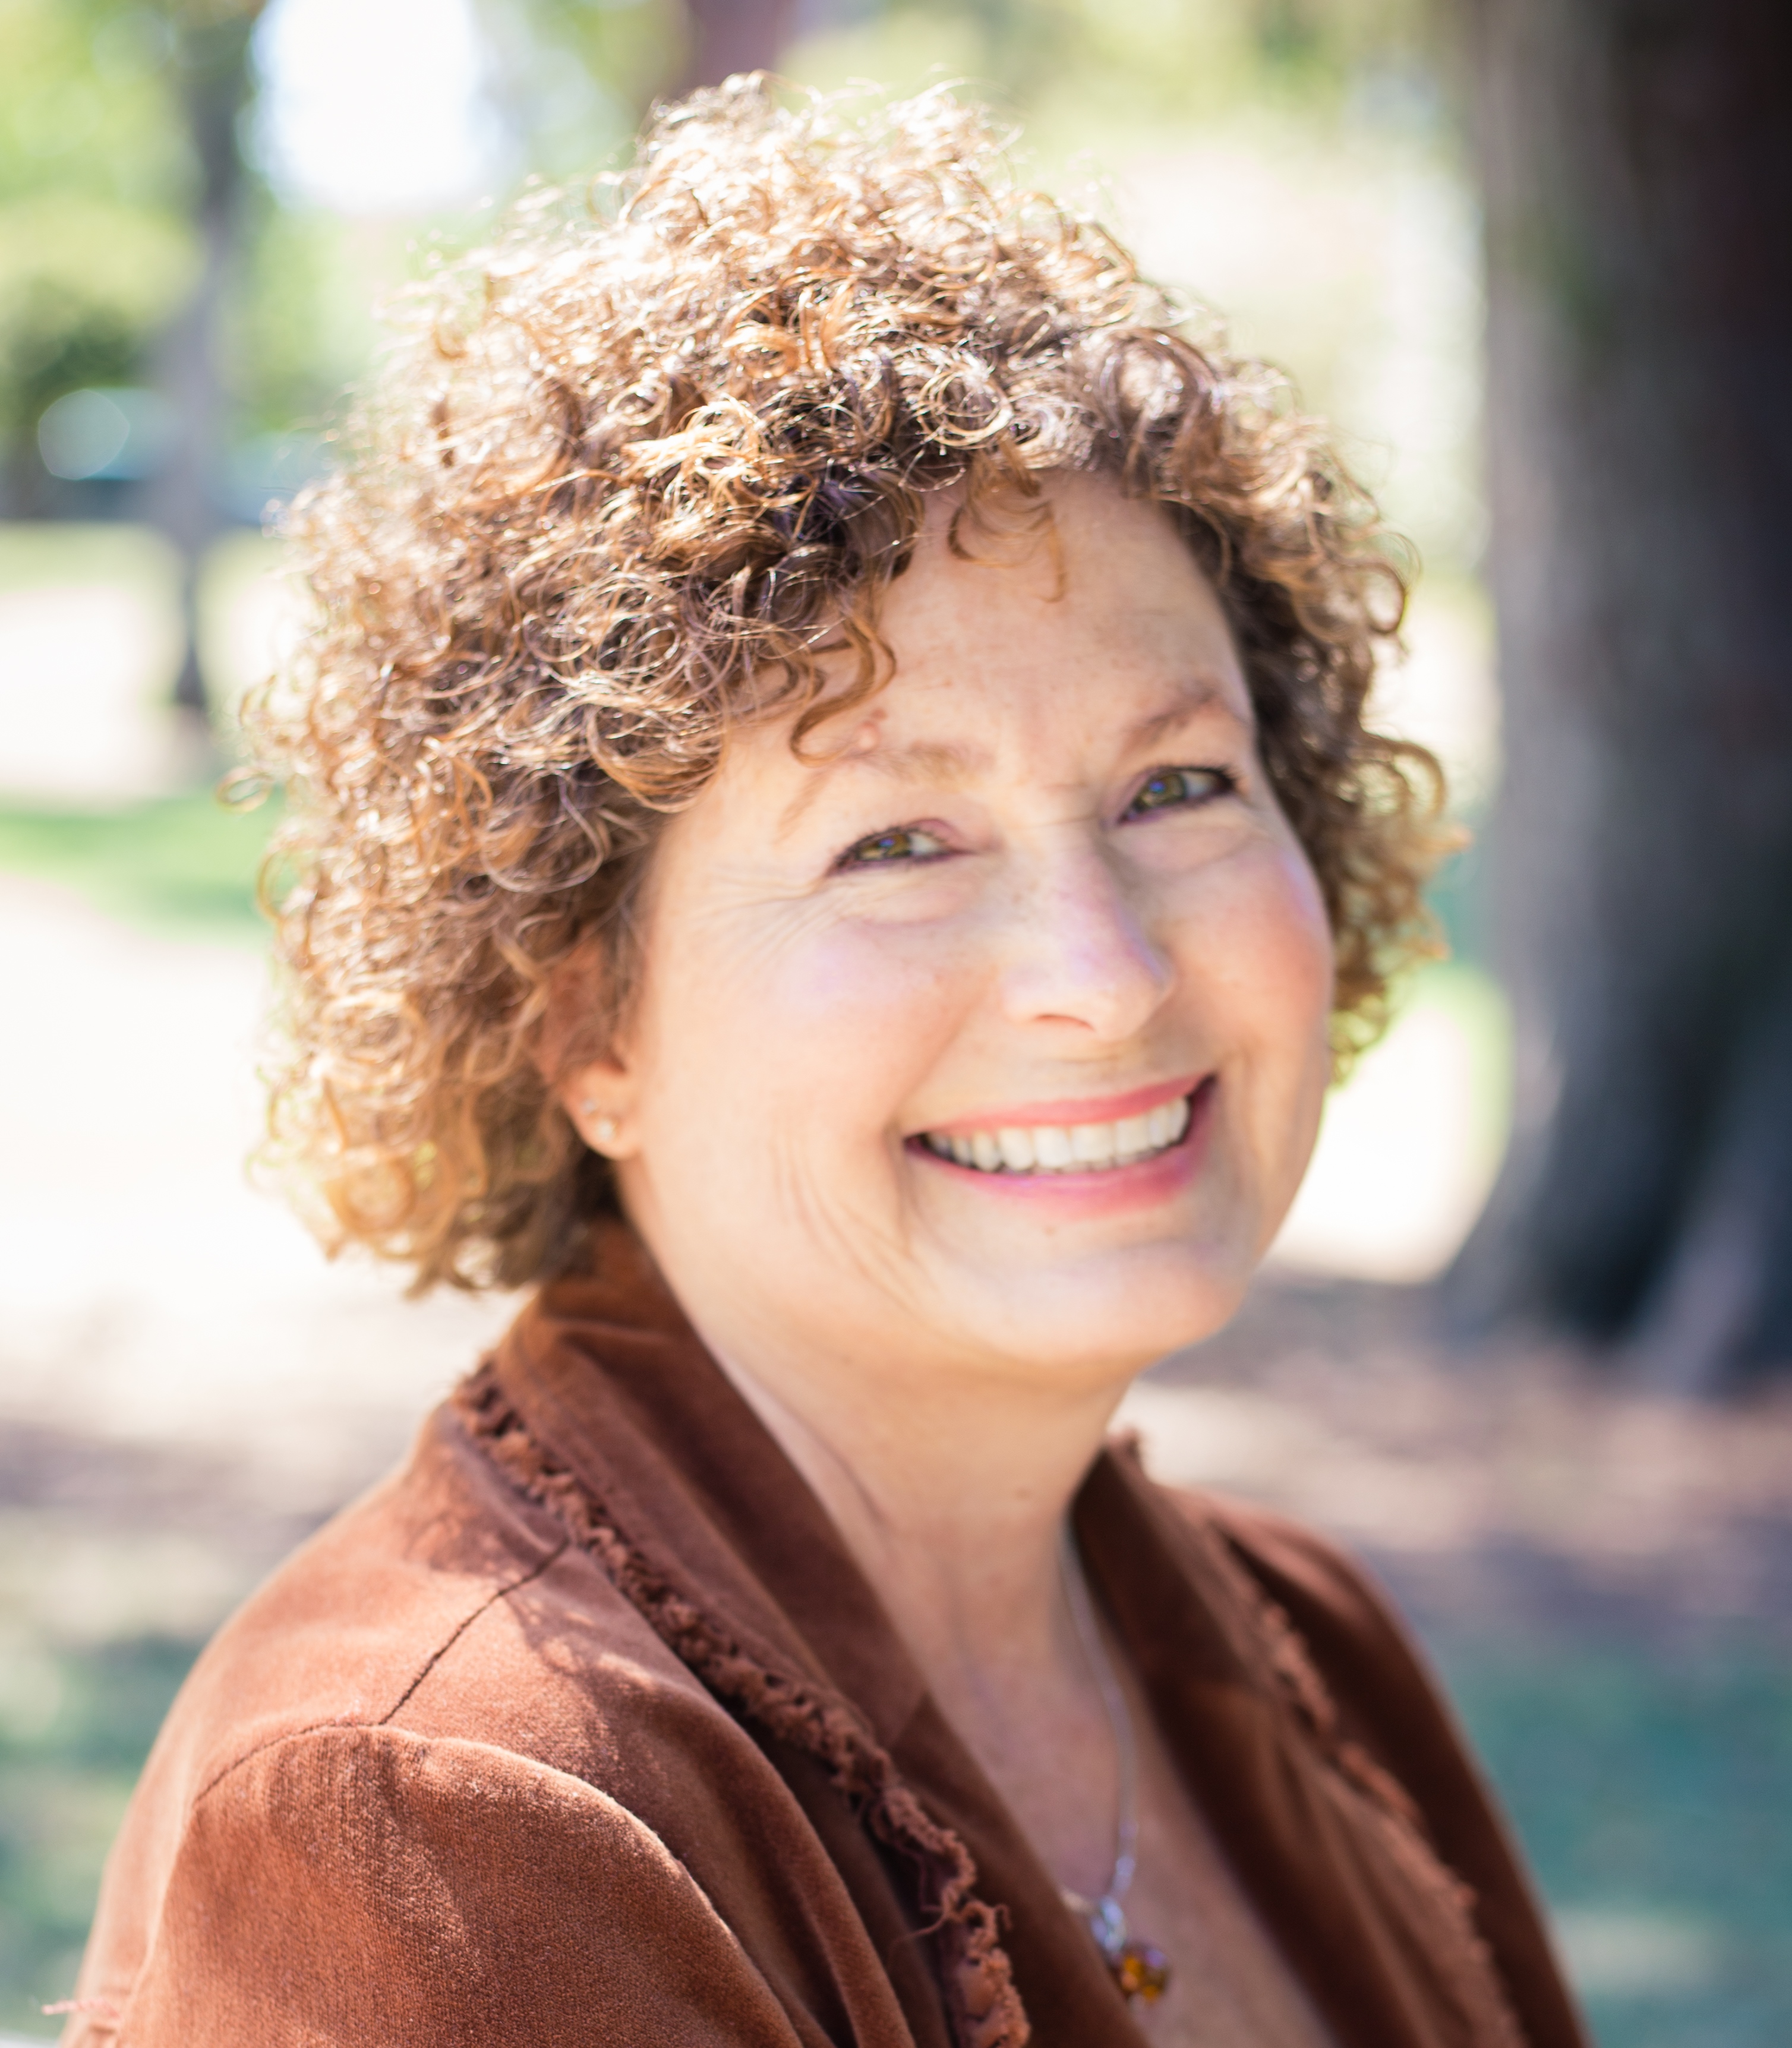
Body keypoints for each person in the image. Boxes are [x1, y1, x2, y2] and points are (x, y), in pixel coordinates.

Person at [61, 83, 1588, 2048]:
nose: (1105, 976)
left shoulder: (1314, 1649)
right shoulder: (437, 1822)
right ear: (585, 1022)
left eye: (1177, 786)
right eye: (897, 840)